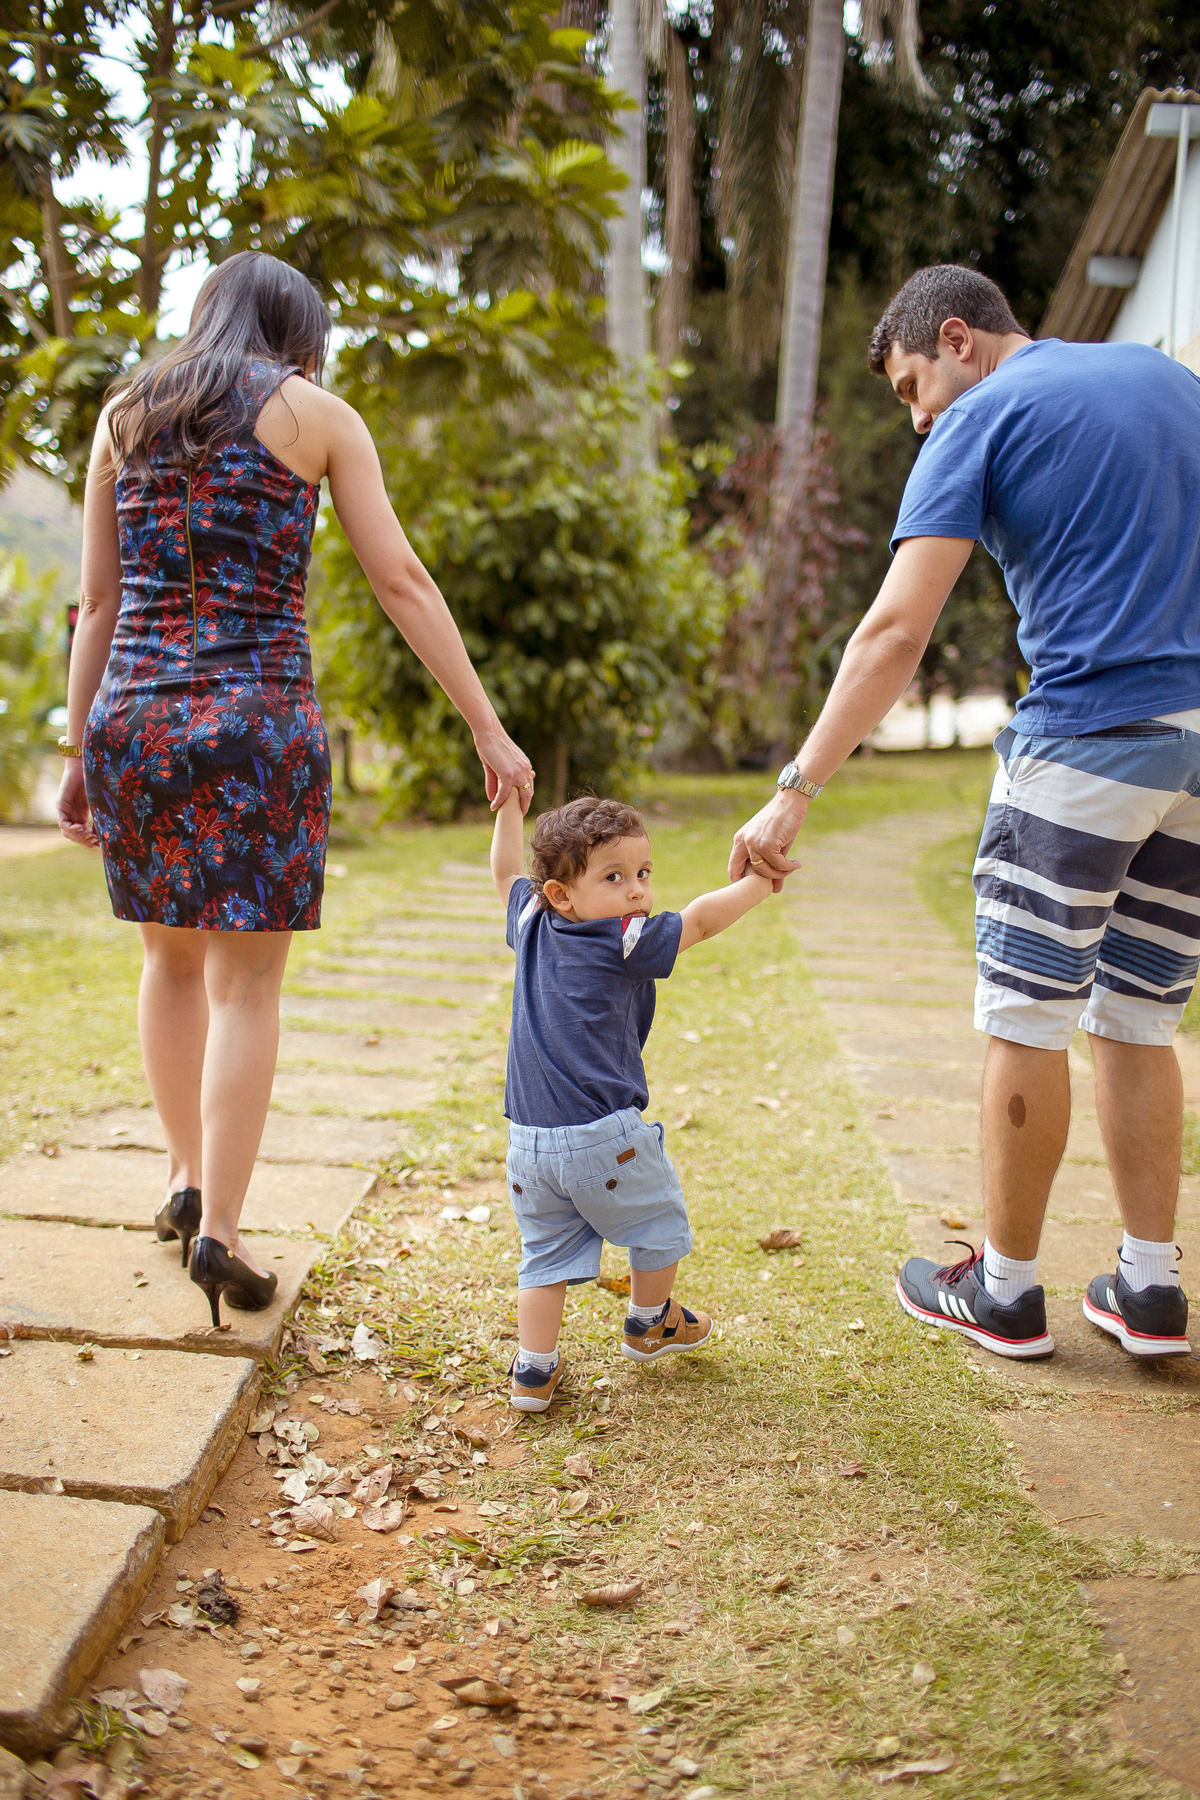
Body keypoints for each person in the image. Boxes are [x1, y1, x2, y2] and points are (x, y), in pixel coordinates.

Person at [729, 261, 1200, 1363]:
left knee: (1028, 1014)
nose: (915, 417)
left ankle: (1007, 1290)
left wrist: (795, 790)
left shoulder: (979, 415)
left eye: (907, 388)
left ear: (958, 339)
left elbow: (895, 633)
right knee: (1140, 1016)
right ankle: (1152, 1288)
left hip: (1086, 740)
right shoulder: (1169, 379)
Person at [57, 250, 534, 1328]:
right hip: (255, 719)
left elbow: (96, 598)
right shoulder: (315, 415)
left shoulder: (125, 414)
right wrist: (485, 725)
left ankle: (184, 1175)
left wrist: (83, 749)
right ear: (297, 333)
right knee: (245, 987)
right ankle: (220, 1228)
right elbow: (399, 579)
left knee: (168, 960)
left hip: (135, 713)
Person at [489, 790, 774, 1411]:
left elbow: (507, 872)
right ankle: (650, 1323)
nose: (638, 891)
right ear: (562, 893)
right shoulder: (620, 939)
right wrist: (759, 884)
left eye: (643, 874)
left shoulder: (531, 921)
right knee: (659, 1223)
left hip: (526, 1145)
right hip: (603, 1138)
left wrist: (509, 806)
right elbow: (698, 920)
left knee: (543, 1258)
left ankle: (533, 1372)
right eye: (613, 877)